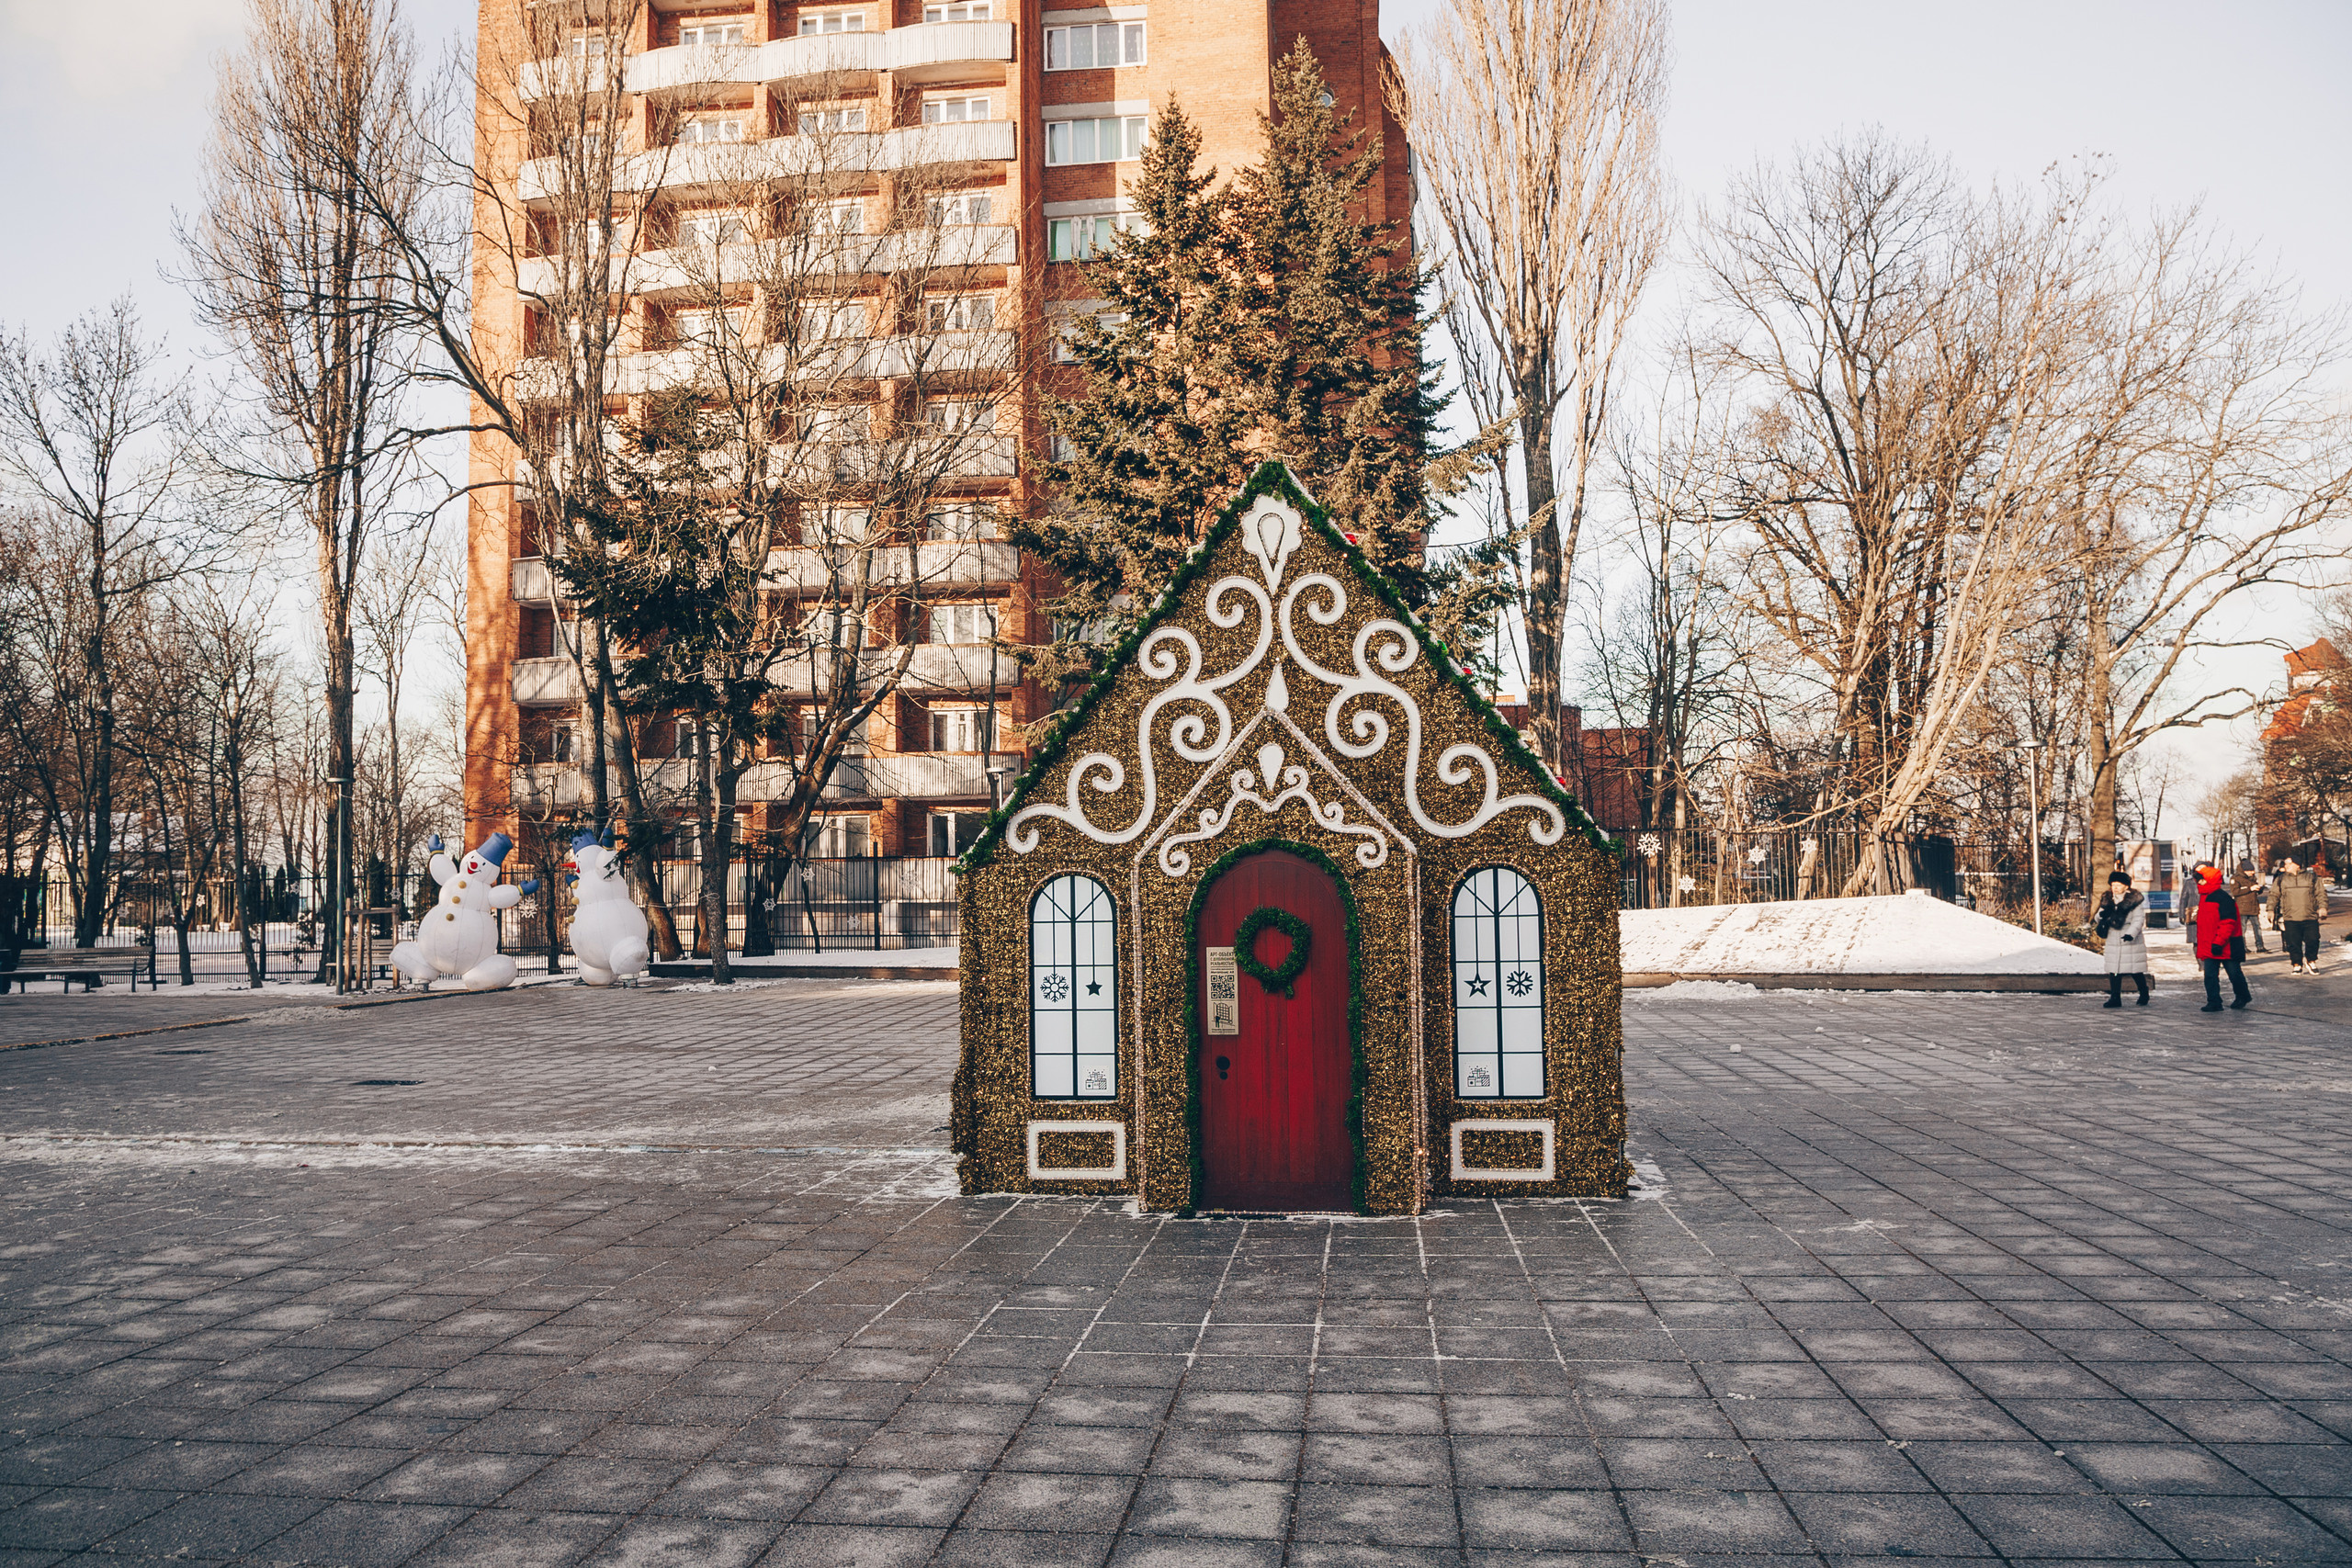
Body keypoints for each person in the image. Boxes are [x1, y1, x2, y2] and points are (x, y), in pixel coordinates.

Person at [2193, 863, 2250, 1011]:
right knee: (2210, 975)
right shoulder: (2205, 897)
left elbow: (2228, 923)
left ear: (2210, 880)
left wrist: (2218, 942)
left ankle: (2242, 996)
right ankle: (2214, 1001)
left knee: (2234, 974)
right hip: (2212, 944)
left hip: (2226, 944)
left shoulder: (2222, 898)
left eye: (2202, 880)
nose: (2200, 883)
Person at [2096, 870, 2150, 1007]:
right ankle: (2115, 998)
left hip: (2129, 938)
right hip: (2113, 938)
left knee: (2135, 969)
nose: (2115, 888)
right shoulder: (2108, 899)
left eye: (2118, 885)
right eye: (2113, 884)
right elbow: (2098, 916)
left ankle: (2144, 992)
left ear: (2126, 886)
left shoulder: (2134, 901)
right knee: (2114, 970)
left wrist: (2131, 934)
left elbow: (2138, 919)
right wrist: (2102, 916)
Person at [2275, 854, 2326, 974]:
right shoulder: (2281, 879)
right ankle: (2297, 964)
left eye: (2288, 863)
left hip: (2309, 915)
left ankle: (2311, 960)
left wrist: (2323, 907)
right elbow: (2274, 895)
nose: (2286, 866)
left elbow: (2321, 893)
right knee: (2293, 943)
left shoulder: (2311, 877)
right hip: (2291, 916)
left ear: (2297, 865)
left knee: (2313, 940)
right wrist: (2270, 910)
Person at [2232, 860, 2268, 953]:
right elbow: (2235, 892)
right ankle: (2242, 947)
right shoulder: (2236, 879)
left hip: (2253, 907)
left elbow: (2255, 892)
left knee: (2257, 928)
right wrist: (2250, 888)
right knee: (2242, 929)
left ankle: (2260, 946)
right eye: (2251, 871)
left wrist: (2260, 889)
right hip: (2242, 908)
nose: (2253, 872)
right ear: (2245, 871)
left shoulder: (2252, 878)